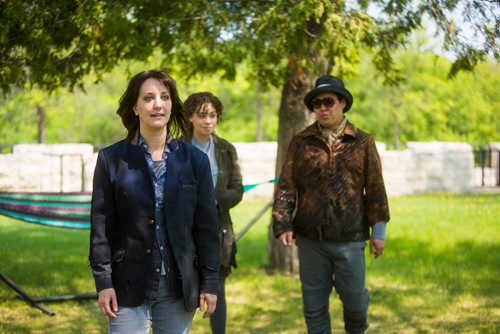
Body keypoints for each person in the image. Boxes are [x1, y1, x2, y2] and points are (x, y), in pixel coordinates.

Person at [89, 70, 220, 334]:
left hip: (178, 286)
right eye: (148, 98)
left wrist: (210, 282)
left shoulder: (196, 161)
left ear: (172, 105)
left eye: (164, 97)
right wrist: (104, 281)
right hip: (127, 284)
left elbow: (206, 227)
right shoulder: (110, 159)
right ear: (135, 107)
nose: (157, 104)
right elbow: (101, 226)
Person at [272, 75, 390, 334]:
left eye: (329, 101)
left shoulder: (363, 142)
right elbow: (286, 184)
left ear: (342, 103)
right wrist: (282, 223)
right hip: (311, 239)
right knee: (314, 309)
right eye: (317, 103)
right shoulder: (301, 142)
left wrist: (378, 232)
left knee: (356, 303)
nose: (323, 108)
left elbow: (376, 189)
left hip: (350, 238)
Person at [181, 92, 243, 334]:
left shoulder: (227, 150)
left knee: (216, 289)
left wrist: (215, 203)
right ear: (190, 118)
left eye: (213, 115)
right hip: (183, 230)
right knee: (182, 290)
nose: (208, 121)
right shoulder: (176, 148)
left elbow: (237, 189)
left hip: (219, 231)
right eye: (202, 115)